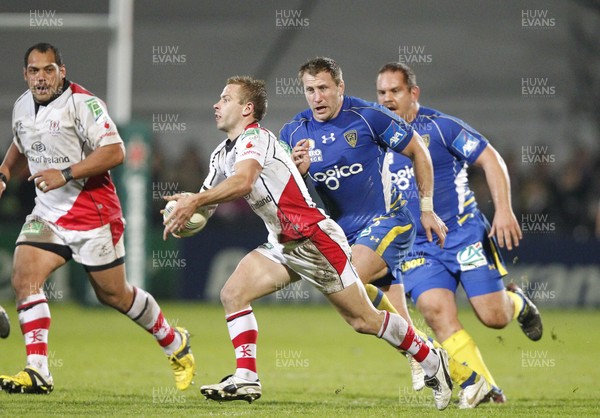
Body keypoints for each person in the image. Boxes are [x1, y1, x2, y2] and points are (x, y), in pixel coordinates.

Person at [162, 75, 453, 410]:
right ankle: (246, 378)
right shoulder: (220, 155)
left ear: (247, 109)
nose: (216, 104)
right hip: (282, 242)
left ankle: (431, 359)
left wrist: (196, 202)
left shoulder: (255, 138)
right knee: (233, 293)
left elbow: (243, 182)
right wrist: (186, 210)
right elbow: (208, 203)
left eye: (225, 99)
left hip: (313, 239)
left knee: (363, 321)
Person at [283, 57, 494, 409]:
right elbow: (291, 194)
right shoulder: (294, 132)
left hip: (389, 221)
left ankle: (425, 355)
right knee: (371, 321)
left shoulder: (369, 116)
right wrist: (298, 172)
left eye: (323, 88)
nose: (317, 97)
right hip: (345, 235)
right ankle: (467, 377)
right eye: (310, 90)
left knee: (345, 284)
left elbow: (419, 151)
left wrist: (426, 208)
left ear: (340, 88)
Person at [0, 43, 195, 394]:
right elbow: (20, 141)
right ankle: (38, 370)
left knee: (114, 295)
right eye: (34, 71)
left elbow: (115, 151)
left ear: (62, 69)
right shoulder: (21, 106)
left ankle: (173, 340)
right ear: (24, 74)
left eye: (48, 70)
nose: (41, 78)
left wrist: (66, 173)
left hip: (93, 212)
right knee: (24, 275)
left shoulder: (83, 104)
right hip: (47, 211)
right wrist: (3, 172)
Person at [375, 62, 543, 402]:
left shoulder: (441, 128)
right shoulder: (373, 136)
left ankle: (516, 302)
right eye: (381, 93)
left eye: (395, 91)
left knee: (493, 317)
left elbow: (490, 160)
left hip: (463, 235)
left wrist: (505, 209)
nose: (388, 99)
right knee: (437, 313)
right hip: (417, 245)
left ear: (413, 93)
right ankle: (484, 388)